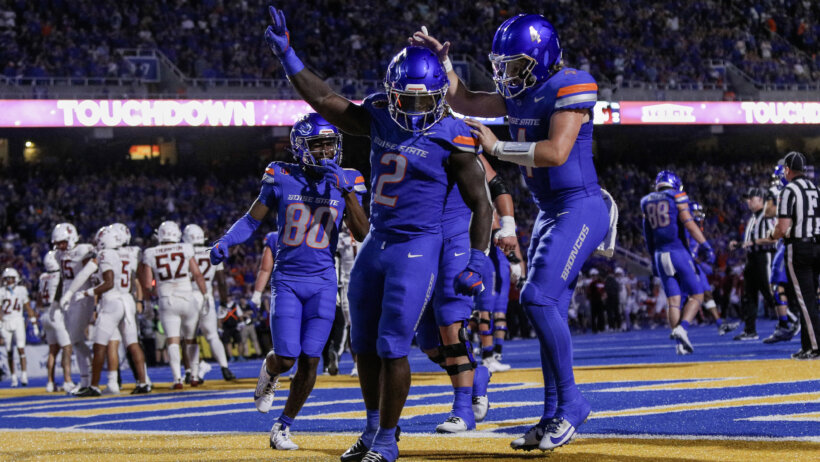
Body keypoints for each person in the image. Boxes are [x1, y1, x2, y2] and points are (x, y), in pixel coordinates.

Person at [263, 8, 493, 461]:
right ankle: (372, 430)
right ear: (391, 94)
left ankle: (388, 439)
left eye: (421, 100)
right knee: (364, 344)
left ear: (439, 97)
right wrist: (289, 57)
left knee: (392, 345)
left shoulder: (454, 135)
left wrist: (478, 258)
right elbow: (328, 101)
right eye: (402, 100)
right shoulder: (380, 113)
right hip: (376, 241)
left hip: (417, 245)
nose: (409, 109)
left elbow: (481, 203)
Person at [410, 14, 611, 451]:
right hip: (549, 210)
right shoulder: (520, 93)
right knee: (546, 310)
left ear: (542, 58)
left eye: (514, 65)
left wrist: (497, 148)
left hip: (580, 205)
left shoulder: (571, 85)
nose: (505, 76)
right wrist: (443, 65)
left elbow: (557, 153)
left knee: (537, 298)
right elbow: (464, 100)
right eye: (500, 66)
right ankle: (552, 413)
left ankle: (572, 404)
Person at [210, 112, 369, 451]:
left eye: (330, 144)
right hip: (289, 279)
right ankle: (269, 373)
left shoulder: (349, 178)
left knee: (312, 358)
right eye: (318, 145)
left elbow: (362, 232)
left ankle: (283, 426)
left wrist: (348, 191)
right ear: (301, 148)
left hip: (325, 281)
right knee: (286, 357)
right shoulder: (281, 176)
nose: (326, 151)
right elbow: (253, 220)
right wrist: (226, 240)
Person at [68, 226, 150, 397]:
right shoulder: (129, 253)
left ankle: (94, 386)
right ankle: (144, 382)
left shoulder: (105, 254)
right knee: (133, 343)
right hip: (127, 299)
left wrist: (86, 293)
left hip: (111, 300)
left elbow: (108, 282)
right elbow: (135, 278)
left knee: (100, 345)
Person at [641, 171, 714, 355]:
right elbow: (689, 223)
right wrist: (705, 245)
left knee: (673, 301)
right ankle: (683, 328)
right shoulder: (677, 195)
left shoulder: (646, 201)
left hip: (659, 254)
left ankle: (679, 345)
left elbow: (648, 235)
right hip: (677, 251)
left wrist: (652, 259)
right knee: (697, 295)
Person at [761, 152, 820, 359]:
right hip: (817, 245)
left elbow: (783, 227)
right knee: (810, 299)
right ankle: (807, 344)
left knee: (805, 300)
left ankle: (814, 346)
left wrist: (772, 234)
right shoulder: (815, 188)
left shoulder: (789, 191)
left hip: (799, 247)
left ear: (787, 169)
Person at [139, 221, 210, 389]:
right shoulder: (185, 248)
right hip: (187, 297)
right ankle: (193, 375)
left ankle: (177, 379)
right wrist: (205, 295)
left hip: (167, 299)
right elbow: (198, 275)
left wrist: (151, 298)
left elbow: (148, 284)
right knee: (191, 339)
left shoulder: (150, 252)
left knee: (172, 341)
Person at [182, 224, 236, 382]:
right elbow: (221, 282)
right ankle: (225, 368)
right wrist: (224, 302)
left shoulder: (184, 252)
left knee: (189, 337)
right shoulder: (213, 251)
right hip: (207, 297)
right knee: (212, 336)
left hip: (189, 296)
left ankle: (192, 372)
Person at [728, 187, 777, 341]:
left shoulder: (767, 215)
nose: (748, 201)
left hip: (765, 257)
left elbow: (774, 237)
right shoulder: (752, 217)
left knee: (769, 292)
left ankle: (790, 320)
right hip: (752, 259)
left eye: (752, 198)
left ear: (761, 200)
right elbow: (749, 242)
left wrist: (752, 242)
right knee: (748, 295)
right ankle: (750, 330)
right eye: (748, 198)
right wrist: (739, 243)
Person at [54, 222, 96, 393]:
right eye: (57, 243)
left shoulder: (84, 250)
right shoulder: (59, 255)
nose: (59, 246)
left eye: (62, 242)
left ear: (71, 238)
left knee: (75, 339)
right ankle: (86, 380)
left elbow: (90, 274)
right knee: (75, 340)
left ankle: (89, 378)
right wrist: (57, 302)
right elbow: (63, 279)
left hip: (81, 297)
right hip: (68, 299)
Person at [689, 202, 738, 335]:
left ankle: (719, 324)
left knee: (706, 292)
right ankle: (680, 327)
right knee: (683, 296)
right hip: (686, 265)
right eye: (696, 213)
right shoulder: (686, 228)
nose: (699, 215)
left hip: (693, 265)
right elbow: (685, 251)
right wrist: (699, 263)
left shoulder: (697, 228)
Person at [38, 250, 74, 392]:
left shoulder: (42, 277)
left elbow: (39, 299)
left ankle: (50, 383)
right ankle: (67, 380)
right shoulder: (59, 275)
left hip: (45, 314)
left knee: (52, 350)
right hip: (56, 312)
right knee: (67, 347)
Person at [0, 267, 35, 387]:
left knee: (21, 349)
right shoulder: (1, 291)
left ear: (16, 278)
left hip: (18, 320)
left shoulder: (21, 290)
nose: (8, 280)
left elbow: (28, 306)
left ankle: (24, 375)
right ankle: (14, 377)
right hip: (5, 322)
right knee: (9, 351)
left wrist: (34, 321)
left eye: (10, 278)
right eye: (6, 278)